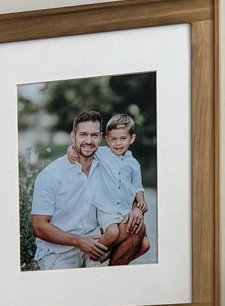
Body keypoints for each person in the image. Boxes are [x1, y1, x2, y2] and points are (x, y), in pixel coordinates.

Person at [29, 110, 112, 268]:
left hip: (94, 246)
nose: (89, 140)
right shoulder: (51, 175)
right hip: (58, 252)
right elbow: (38, 226)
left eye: (94, 135)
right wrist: (78, 241)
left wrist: (136, 208)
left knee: (136, 235)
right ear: (73, 136)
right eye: (83, 135)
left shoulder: (106, 166)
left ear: (100, 137)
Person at [89, 112, 150, 265]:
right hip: (106, 209)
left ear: (132, 138)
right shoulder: (102, 153)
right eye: (113, 139)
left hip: (125, 210)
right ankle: (92, 256)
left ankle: (106, 256)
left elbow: (137, 186)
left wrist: (141, 202)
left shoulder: (133, 164)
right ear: (107, 140)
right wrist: (71, 150)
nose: (118, 143)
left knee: (144, 246)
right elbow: (84, 148)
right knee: (113, 232)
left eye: (123, 138)